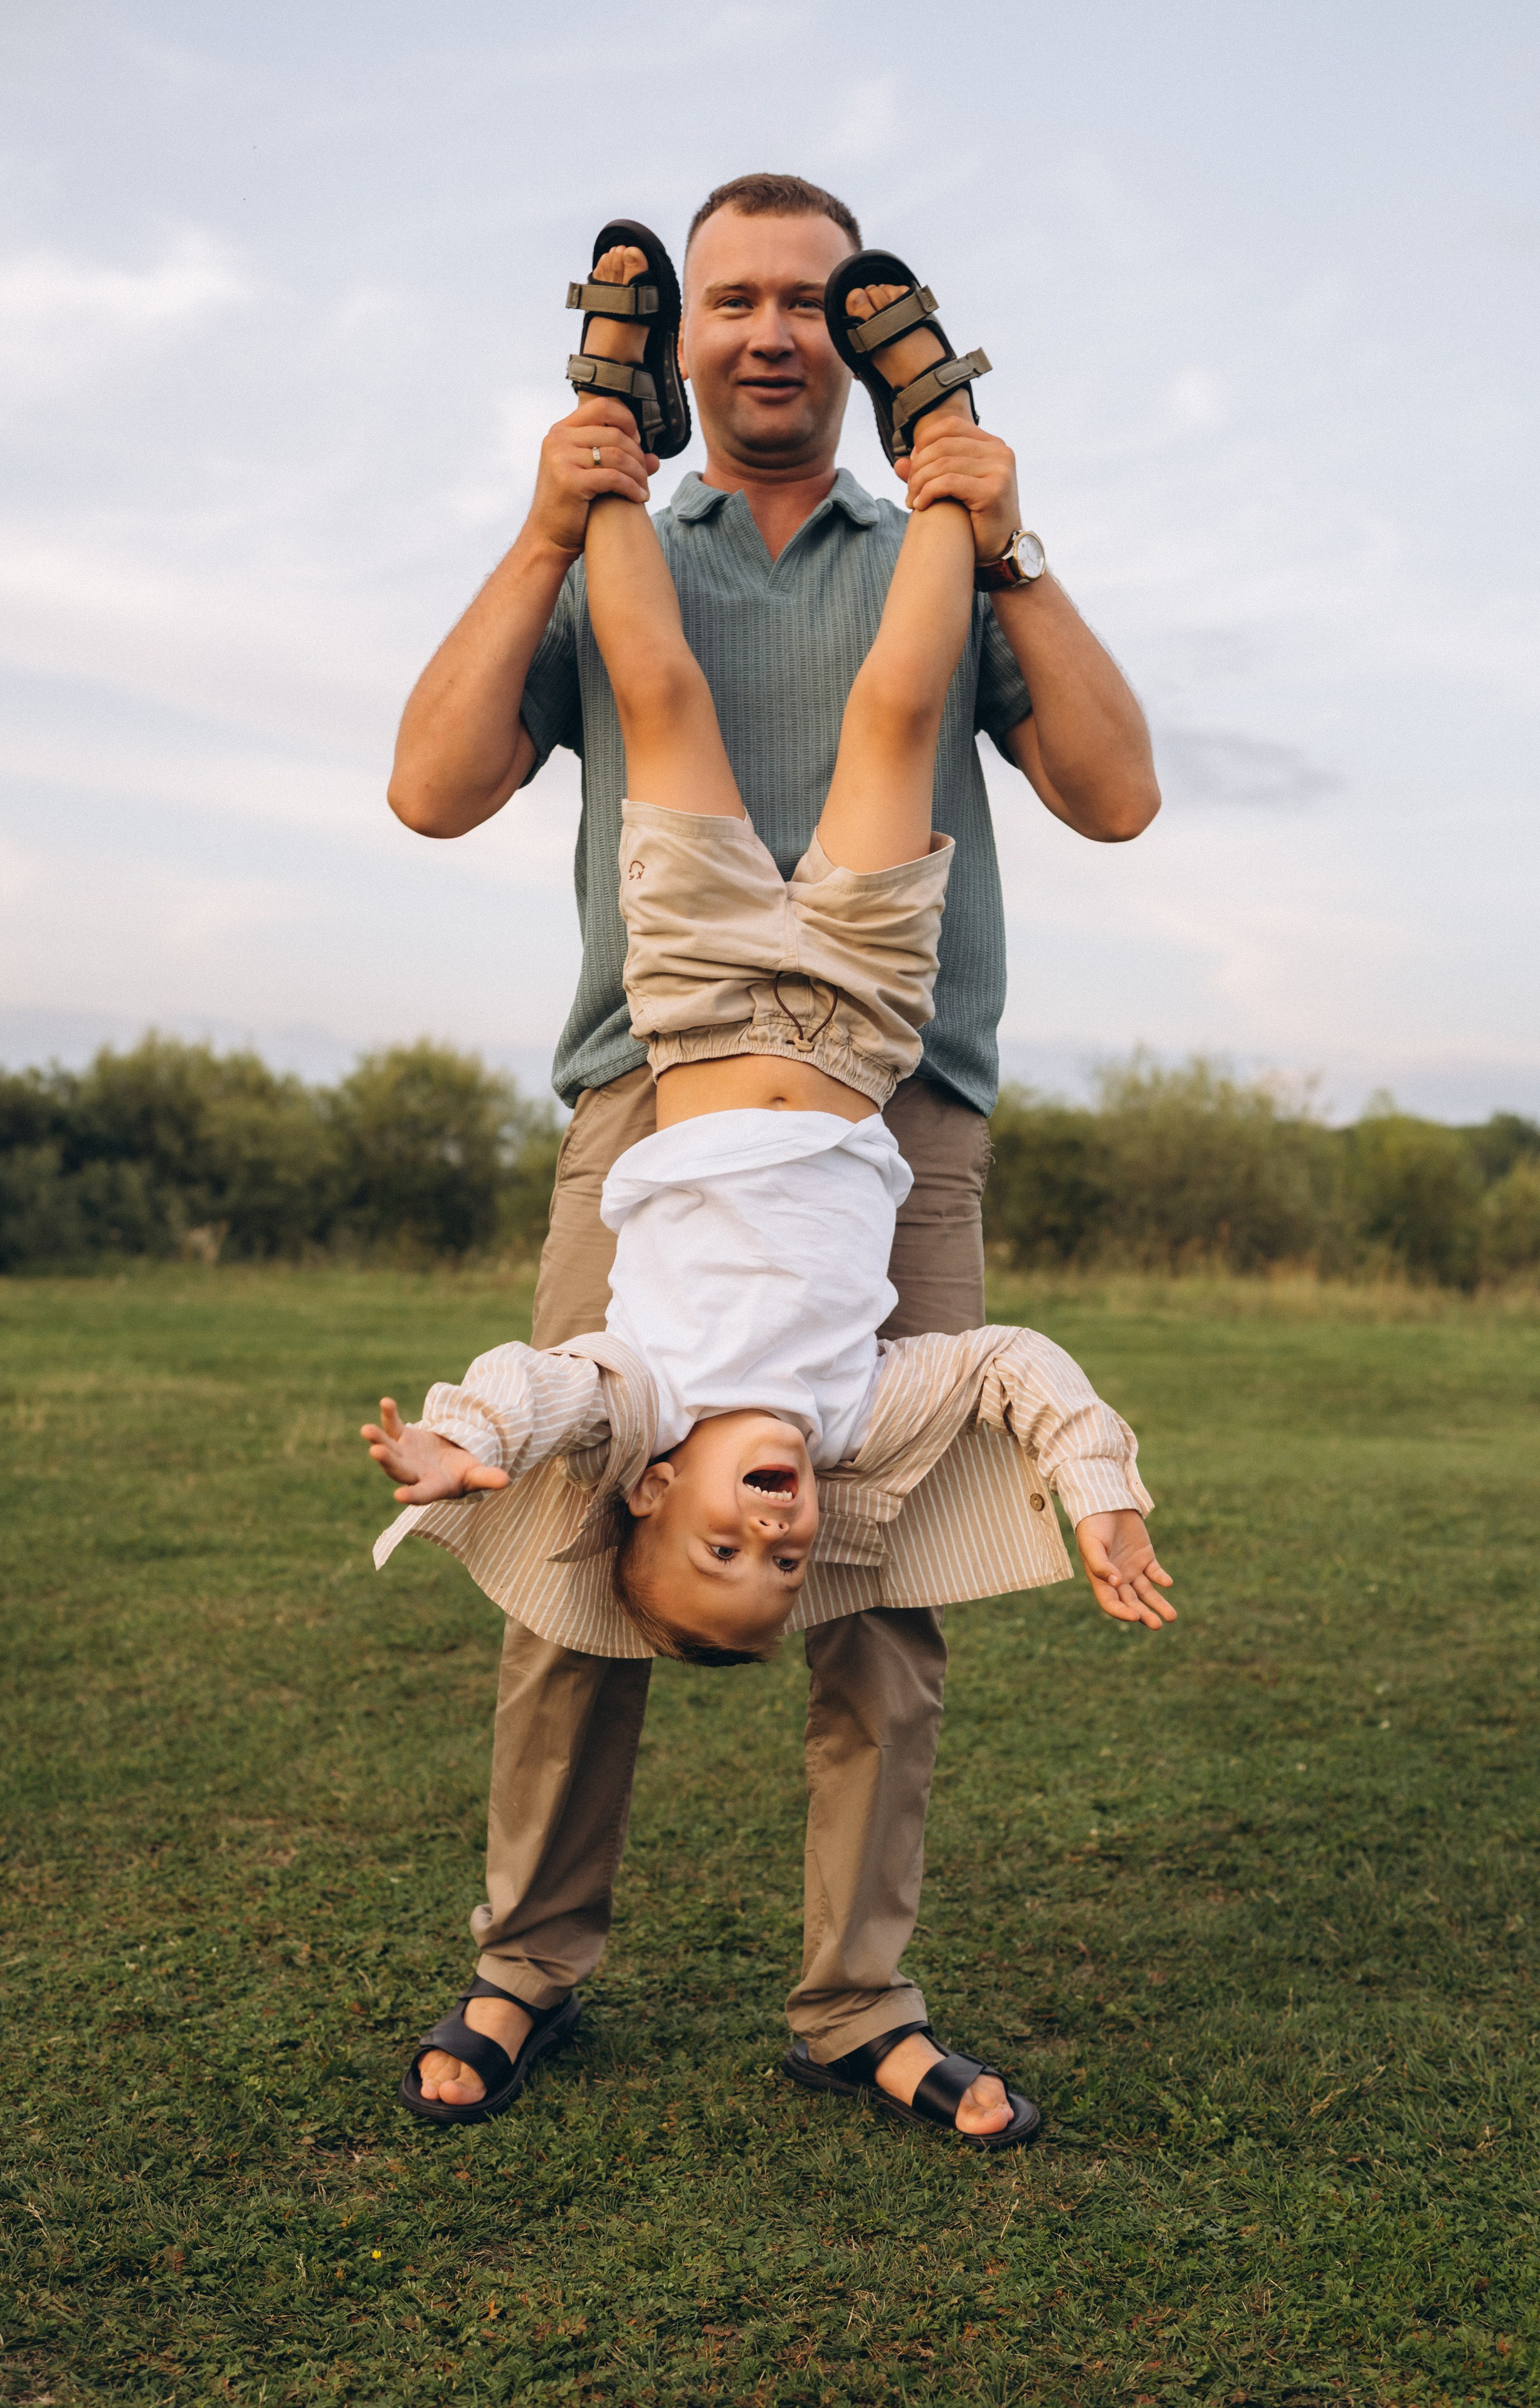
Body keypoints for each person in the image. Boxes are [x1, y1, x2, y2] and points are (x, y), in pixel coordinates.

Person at [384, 175, 1163, 2145]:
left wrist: (992, 516)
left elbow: (1117, 793)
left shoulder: (942, 558)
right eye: (729, 299)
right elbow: (430, 785)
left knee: (876, 1584)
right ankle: (528, 1958)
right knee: (583, 1554)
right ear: (693, 339)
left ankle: (858, 1996)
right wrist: (566, 504)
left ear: (853, 326)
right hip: (653, 1094)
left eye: (806, 300)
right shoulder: (626, 538)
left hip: (905, 1112)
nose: (767, 330)